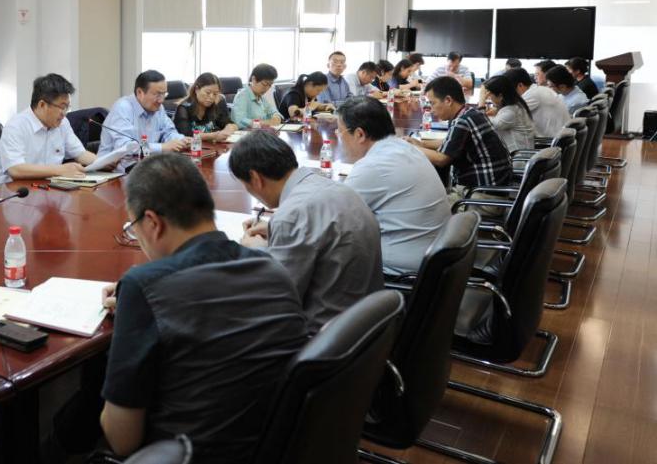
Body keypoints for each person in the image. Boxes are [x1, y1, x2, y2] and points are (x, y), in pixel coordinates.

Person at [98, 154, 308, 462]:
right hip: (278, 447)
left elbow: (123, 441)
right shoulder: (272, 268)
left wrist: (140, 305)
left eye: (134, 227)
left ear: (153, 222)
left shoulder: (143, 286)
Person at [228, 132, 383, 334]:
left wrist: (258, 251)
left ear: (256, 179)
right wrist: (274, 230)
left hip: (324, 337)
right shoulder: (334, 187)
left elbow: (275, 299)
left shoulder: (292, 215)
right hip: (367, 325)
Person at [336, 97, 450, 276]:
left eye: (340, 132)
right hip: (434, 258)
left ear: (359, 134)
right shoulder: (405, 147)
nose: (339, 138)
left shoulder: (373, 166)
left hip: (401, 273)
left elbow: (335, 222)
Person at [405, 77, 512, 196]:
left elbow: (441, 159)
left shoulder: (463, 121)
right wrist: (421, 144)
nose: (431, 109)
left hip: (482, 195)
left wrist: (409, 147)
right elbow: (450, 142)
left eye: (432, 103)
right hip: (493, 187)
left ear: (448, 100)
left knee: (424, 200)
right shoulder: (470, 113)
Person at [0, 73, 98, 185]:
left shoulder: (62, 123)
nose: (64, 113)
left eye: (67, 107)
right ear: (42, 105)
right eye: (62, 107)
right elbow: (15, 169)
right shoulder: (16, 126)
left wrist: (103, 162)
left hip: (48, 187)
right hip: (14, 190)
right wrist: (60, 170)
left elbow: (80, 154)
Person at [172, 72, 238, 141]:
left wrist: (227, 130)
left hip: (213, 145)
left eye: (215, 94)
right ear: (197, 89)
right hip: (192, 146)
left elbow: (230, 124)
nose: (211, 97)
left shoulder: (217, 102)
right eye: (208, 93)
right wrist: (212, 136)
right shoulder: (183, 108)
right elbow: (185, 134)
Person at [507, 67, 569, 138]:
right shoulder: (539, 90)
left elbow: (508, 117)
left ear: (520, 85)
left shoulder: (532, 94)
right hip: (558, 138)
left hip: (550, 140)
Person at [482, 74, 536, 153]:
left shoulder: (511, 112)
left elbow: (484, 124)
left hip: (517, 156)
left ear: (500, 96)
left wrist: (482, 102)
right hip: (514, 153)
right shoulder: (515, 106)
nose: (488, 98)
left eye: (489, 94)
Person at [230, 64, 283, 129]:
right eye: (265, 84)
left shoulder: (261, 97)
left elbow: (273, 111)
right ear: (254, 79)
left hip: (261, 132)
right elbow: (239, 122)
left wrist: (276, 117)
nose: (267, 88)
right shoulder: (242, 96)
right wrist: (264, 123)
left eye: (270, 85)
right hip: (246, 134)